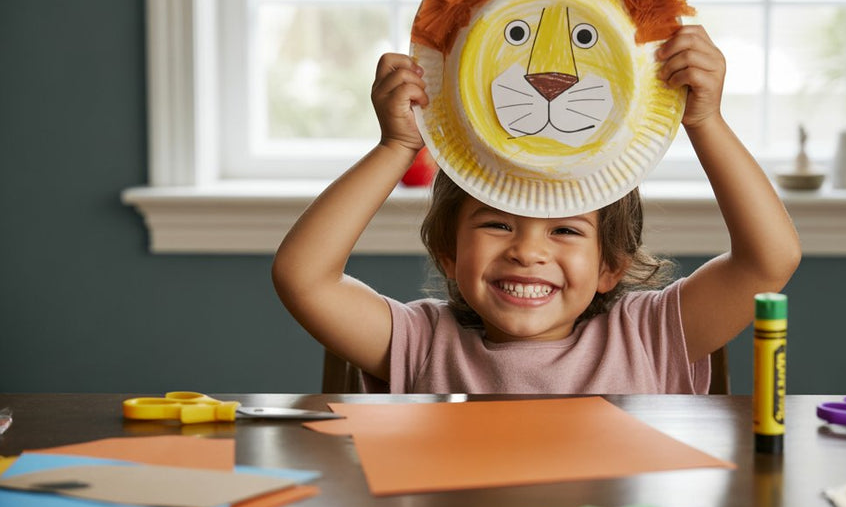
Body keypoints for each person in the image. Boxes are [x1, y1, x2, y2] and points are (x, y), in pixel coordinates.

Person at [271, 25, 801, 394]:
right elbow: (304, 278)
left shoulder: (648, 335)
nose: (527, 251)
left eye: (566, 230)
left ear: (610, 265)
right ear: (449, 252)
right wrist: (395, 148)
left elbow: (769, 261)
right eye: (499, 223)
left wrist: (705, 121)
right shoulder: (422, 343)